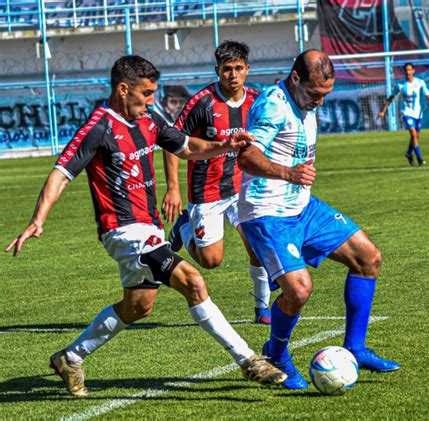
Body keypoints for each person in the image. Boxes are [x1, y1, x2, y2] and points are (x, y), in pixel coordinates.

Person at [4, 55, 286, 397]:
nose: (152, 100)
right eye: (146, 93)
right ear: (124, 89)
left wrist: (223, 145)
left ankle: (70, 356)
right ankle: (248, 360)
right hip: (123, 231)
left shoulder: (149, 120)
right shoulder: (98, 127)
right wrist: (38, 220)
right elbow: (62, 174)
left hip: (149, 228)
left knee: (138, 306)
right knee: (193, 282)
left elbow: (185, 147)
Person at [237, 49, 400, 390]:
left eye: (326, 94)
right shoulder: (273, 105)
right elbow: (247, 157)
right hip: (267, 213)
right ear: (295, 79)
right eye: (315, 94)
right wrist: (287, 172)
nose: (321, 102)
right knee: (298, 290)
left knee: (368, 257)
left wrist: (295, 180)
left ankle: (355, 347)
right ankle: (277, 355)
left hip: (303, 207)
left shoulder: (306, 99)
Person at [163, 41, 272, 325]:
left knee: (257, 245)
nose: (233, 75)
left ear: (247, 70)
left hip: (243, 187)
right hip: (206, 190)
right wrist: (173, 188)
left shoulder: (257, 102)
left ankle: (262, 308)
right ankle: (184, 228)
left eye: (238, 68)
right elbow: (171, 143)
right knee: (211, 260)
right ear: (217, 71)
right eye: (227, 70)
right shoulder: (203, 103)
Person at [378, 63, 429, 166]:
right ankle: (420, 159)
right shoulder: (400, 85)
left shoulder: (420, 83)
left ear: (413, 71)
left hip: (418, 113)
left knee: (416, 136)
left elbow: (428, 96)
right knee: (413, 134)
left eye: (409, 70)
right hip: (406, 113)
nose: (408, 72)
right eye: (406, 70)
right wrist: (383, 111)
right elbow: (391, 98)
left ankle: (408, 153)